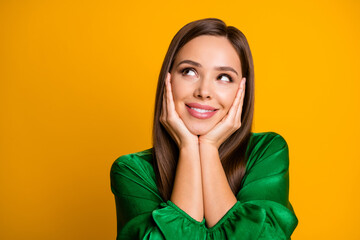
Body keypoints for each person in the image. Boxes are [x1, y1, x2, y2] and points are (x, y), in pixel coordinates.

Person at [110, 18, 298, 239]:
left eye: (224, 77)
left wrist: (208, 148)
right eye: (189, 72)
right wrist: (189, 147)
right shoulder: (133, 171)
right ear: (167, 81)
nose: (204, 91)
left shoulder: (267, 152)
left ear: (242, 90)